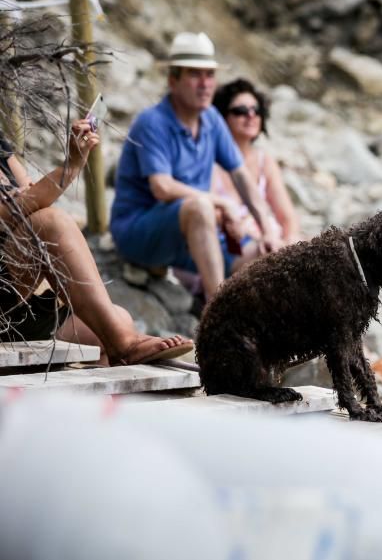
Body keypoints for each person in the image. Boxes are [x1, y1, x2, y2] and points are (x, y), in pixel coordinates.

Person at [0, 120, 193, 364]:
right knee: (50, 223)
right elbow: (11, 213)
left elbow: (32, 194)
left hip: (18, 309)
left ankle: (112, 392)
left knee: (118, 320)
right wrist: (71, 166)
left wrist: (28, 195)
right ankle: (124, 347)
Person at [110, 32, 279, 302]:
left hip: (194, 235)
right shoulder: (152, 122)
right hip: (140, 232)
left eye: (210, 75)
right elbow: (162, 187)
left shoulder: (211, 118)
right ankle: (218, 311)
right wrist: (220, 204)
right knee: (200, 207)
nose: (205, 84)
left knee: (265, 255)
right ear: (172, 80)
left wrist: (267, 230)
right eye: (195, 75)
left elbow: (241, 176)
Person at [210, 79, 300, 251]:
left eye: (256, 110)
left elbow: (287, 217)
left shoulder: (264, 161)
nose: (251, 115)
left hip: (271, 246)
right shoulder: (211, 162)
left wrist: (292, 242)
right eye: (240, 111)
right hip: (228, 249)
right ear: (222, 118)